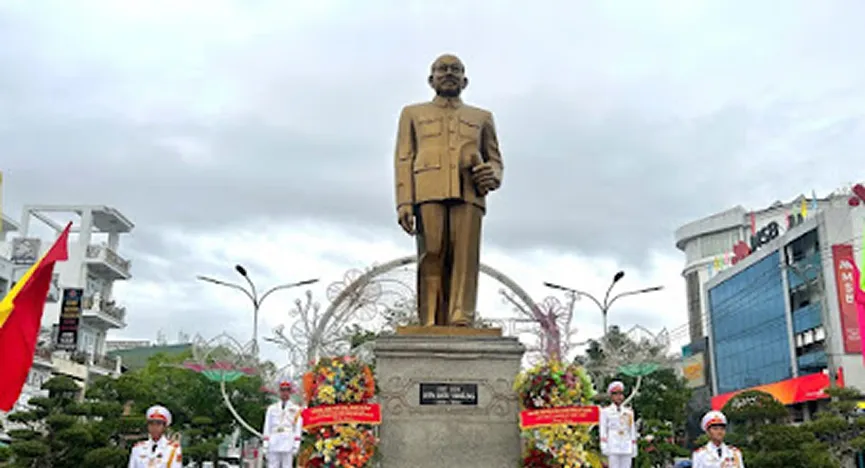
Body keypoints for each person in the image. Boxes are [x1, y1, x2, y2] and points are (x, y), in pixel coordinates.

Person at [393, 53, 504, 327]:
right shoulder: (412, 114)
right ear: (431, 80)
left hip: (470, 193)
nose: (449, 73)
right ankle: (429, 318)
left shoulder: (482, 117)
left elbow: (495, 160)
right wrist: (404, 202)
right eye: (442, 69)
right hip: (427, 190)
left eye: (455, 69)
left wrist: (492, 174)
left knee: (465, 256)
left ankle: (461, 316)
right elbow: (404, 157)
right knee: (431, 252)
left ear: (465, 81)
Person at [262, 379, 303, 468]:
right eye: (282, 390)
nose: (285, 393)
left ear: (290, 392)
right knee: (272, 465)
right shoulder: (271, 408)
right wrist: (265, 443)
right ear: (279, 392)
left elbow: (298, 427)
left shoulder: (296, 409)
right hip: (274, 440)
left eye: (287, 390)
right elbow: (267, 426)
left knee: (287, 466)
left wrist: (296, 444)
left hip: (288, 440)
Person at [599, 381, 637, 468]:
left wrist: (634, 444)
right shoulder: (605, 412)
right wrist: (603, 444)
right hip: (613, 445)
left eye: (620, 393)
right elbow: (603, 429)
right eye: (615, 394)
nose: (619, 396)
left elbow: (632, 429)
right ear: (611, 396)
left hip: (626, 445)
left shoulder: (629, 412)